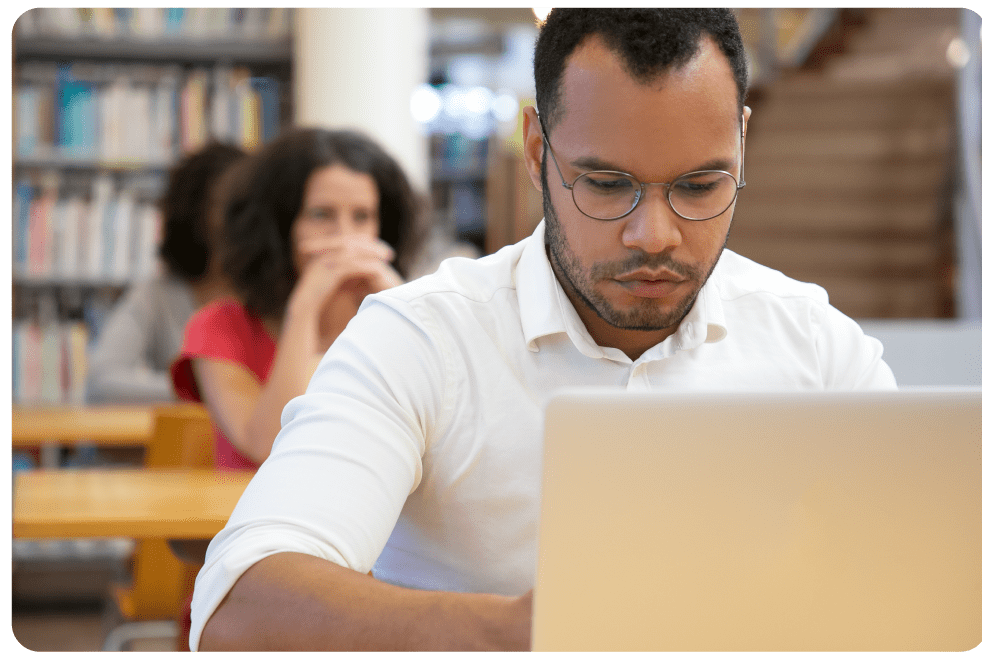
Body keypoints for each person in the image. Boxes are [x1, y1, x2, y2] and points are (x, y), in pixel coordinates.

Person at [191, 8, 897, 652]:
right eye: (605, 183)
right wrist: (517, 630)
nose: (655, 236)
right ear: (536, 151)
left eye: (700, 185)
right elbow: (237, 606)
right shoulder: (422, 338)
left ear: (742, 142)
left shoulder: (815, 345)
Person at [170, 126, 423, 469]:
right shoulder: (219, 328)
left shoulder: (390, 315)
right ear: (279, 225)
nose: (344, 236)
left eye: (362, 217)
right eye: (321, 215)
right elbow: (266, 446)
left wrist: (401, 307)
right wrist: (304, 308)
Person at [85, 142, 245, 404]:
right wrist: (204, 391)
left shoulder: (274, 294)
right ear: (194, 213)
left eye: (248, 206)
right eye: (224, 206)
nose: (240, 221)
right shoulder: (157, 295)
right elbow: (101, 382)